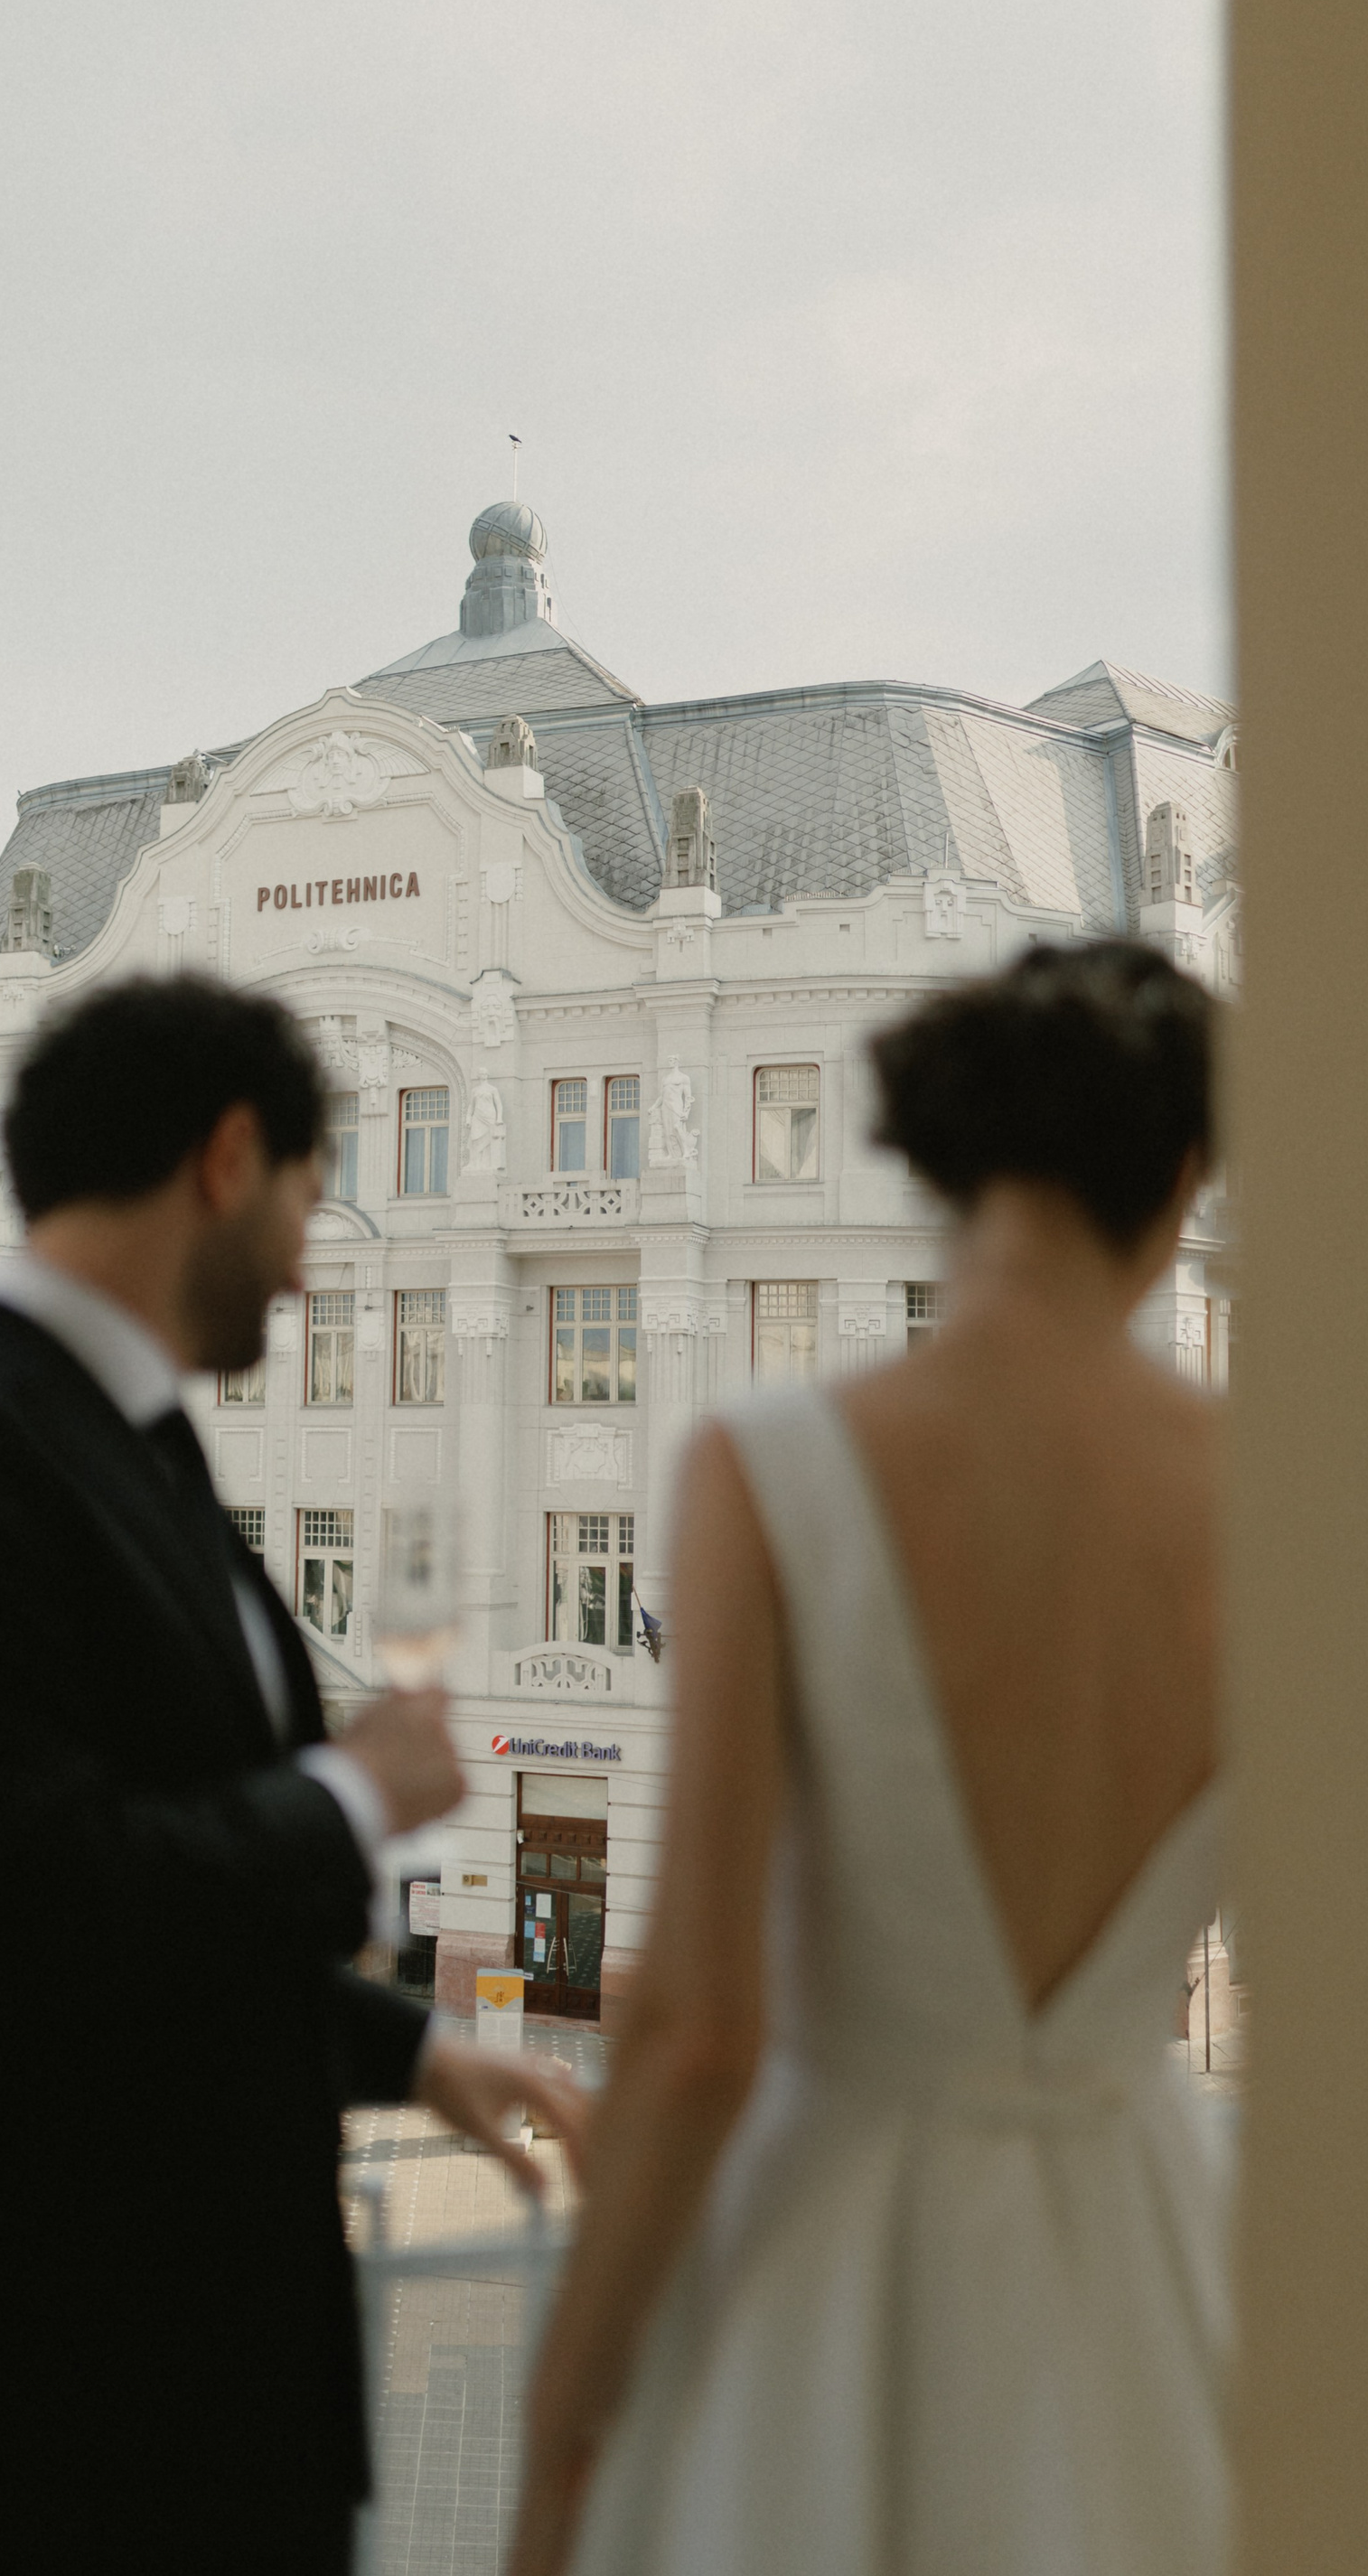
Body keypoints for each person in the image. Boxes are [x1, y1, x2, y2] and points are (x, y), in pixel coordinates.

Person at [0, 978, 585, 2576]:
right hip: (21, 2438)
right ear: (225, 1158)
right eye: (306, 1195)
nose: (305, 1263)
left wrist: (415, 2051)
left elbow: (162, 1937)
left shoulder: (133, 1445)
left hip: (205, 2421)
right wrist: (357, 1796)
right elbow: (34, 1909)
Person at [514, 942, 1228, 2576]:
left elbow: (699, 2036)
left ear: (939, 1167)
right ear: (1185, 1173)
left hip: (832, 2285)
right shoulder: (1279, 1497)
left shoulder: (771, 1467)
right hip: (1148, 2278)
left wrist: (565, 2425)